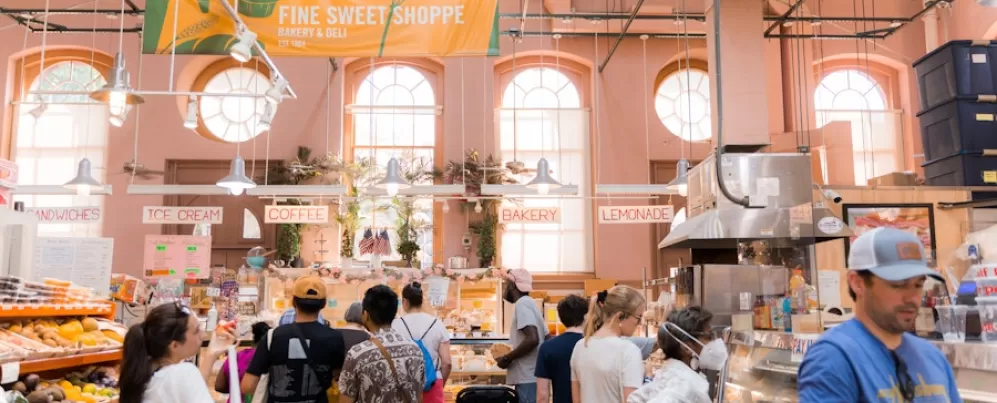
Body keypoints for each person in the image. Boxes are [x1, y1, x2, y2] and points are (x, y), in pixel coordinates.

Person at [798, 228, 961, 402]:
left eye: (918, 284)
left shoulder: (932, 356)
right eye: (898, 285)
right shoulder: (833, 357)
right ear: (857, 283)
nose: (912, 297)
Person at [242, 276, 347, 403]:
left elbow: (247, 386)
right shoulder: (334, 337)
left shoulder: (272, 337)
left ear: (293, 302)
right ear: (324, 304)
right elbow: (338, 377)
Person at [119, 301, 235, 403]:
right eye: (196, 331)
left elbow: (186, 389)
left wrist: (211, 354)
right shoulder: (184, 373)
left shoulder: (141, 374)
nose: (203, 335)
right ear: (174, 345)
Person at [338, 285, 425, 403]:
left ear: (365, 314)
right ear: (394, 313)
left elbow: (346, 399)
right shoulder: (415, 350)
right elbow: (419, 395)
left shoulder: (358, 354)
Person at [570, 286, 646, 403]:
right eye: (638, 317)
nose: (639, 323)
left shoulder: (580, 346)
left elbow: (577, 399)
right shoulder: (628, 351)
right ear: (620, 316)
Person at [628, 307, 719, 403]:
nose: (714, 341)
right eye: (709, 335)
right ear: (687, 347)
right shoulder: (684, 386)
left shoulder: (671, 374)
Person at [392, 282, 452, 403]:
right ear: (422, 301)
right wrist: (440, 383)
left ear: (404, 301)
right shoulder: (437, 324)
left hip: (403, 386)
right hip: (433, 382)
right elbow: (447, 362)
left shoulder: (395, 325)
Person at [495, 268, 547, 403]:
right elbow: (546, 336)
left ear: (512, 285)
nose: (505, 289)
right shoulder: (531, 303)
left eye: (506, 284)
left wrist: (507, 358)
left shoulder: (522, 304)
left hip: (527, 376)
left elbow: (533, 338)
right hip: (533, 375)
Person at [535, 294, 587, 403]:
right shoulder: (593, 345)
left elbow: (542, 394)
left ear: (561, 317)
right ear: (585, 316)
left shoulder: (547, 347)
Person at [215, 322, 272, 402]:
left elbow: (219, 386)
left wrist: (235, 389)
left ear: (253, 338)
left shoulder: (236, 356)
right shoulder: (269, 358)